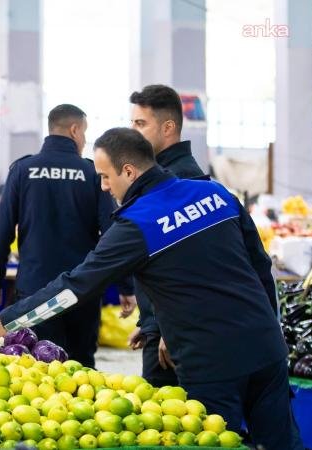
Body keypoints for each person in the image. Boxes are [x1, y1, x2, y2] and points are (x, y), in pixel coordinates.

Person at [0, 128, 303, 449]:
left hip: (211, 363)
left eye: (104, 176)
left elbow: (75, 287)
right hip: (265, 348)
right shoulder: (216, 194)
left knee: (216, 442)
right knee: (280, 443)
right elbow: (261, 270)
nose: (102, 186)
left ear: (128, 171)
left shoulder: (137, 224)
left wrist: (7, 320)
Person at [0, 104, 133, 368]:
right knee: (81, 368)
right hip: (81, 292)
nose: (85, 140)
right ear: (74, 130)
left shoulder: (23, 170)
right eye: (84, 133)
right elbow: (112, 232)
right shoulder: (90, 173)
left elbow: (1, 232)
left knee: (37, 369)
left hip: (34, 292)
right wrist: (126, 287)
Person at [126, 84, 206, 387]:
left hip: (175, 336)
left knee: (173, 425)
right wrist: (148, 323)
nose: (133, 132)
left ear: (168, 127)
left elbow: (191, 266)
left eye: (141, 124)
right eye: (132, 123)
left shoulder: (182, 181)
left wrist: (168, 330)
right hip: (161, 328)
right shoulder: (161, 175)